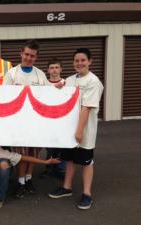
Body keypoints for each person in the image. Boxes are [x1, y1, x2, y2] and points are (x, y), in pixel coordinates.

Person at [48, 48, 104, 210]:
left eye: (83, 60)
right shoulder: (71, 79)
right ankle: (67, 187)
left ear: (90, 61)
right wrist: (58, 87)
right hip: (69, 129)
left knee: (86, 161)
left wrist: (79, 131)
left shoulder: (93, 82)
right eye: (76, 61)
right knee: (70, 159)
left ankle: (87, 194)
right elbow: (62, 88)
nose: (79, 63)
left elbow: (86, 107)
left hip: (85, 131)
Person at [3, 39, 49, 198]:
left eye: (32, 56)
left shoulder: (40, 75)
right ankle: (20, 182)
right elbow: (5, 98)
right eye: (27, 54)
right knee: (21, 154)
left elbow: (49, 96)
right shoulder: (12, 74)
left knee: (33, 152)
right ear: (21, 53)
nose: (29, 58)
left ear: (36, 58)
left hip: (36, 123)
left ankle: (29, 180)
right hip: (18, 123)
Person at [39, 58, 66, 180]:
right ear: (48, 70)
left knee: (62, 146)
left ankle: (60, 169)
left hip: (62, 121)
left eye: (56, 67)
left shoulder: (67, 84)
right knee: (50, 147)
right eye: (52, 68)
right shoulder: (44, 84)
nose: (54, 70)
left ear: (61, 69)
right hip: (48, 121)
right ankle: (49, 168)